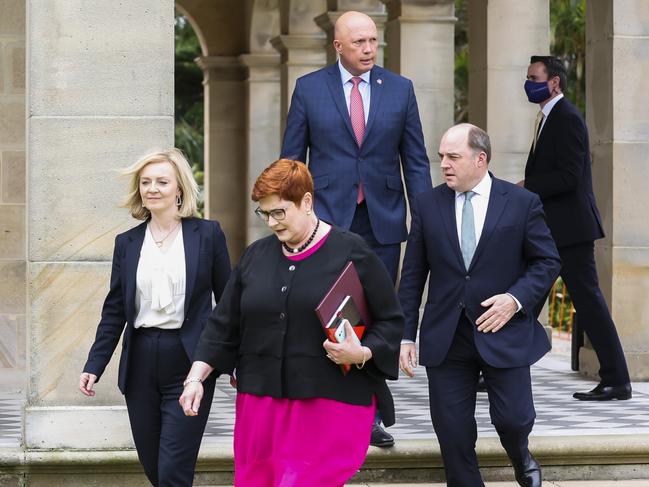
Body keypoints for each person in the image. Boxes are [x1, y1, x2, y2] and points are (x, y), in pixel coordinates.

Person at [179, 159, 404, 486]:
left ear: (307, 202)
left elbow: (391, 320)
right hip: (261, 404)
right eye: (264, 213)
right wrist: (196, 377)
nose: (271, 222)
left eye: (279, 212)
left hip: (327, 402)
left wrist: (364, 353)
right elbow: (223, 324)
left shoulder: (352, 251)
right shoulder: (255, 257)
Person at [280, 9, 431, 446]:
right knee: (337, 317)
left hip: (383, 219)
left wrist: (425, 219)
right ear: (338, 46)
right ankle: (343, 406)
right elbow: (293, 160)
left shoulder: (400, 90)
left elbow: (416, 160)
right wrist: (288, 218)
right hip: (327, 221)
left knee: (377, 316)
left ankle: (371, 414)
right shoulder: (310, 89)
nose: (369, 49)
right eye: (359, 42)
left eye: (373, 41)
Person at [398, 124, 561, 487]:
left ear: (480, 159)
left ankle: (520, 454)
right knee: (452, 430)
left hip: (503, 329)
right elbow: (412, 276)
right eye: (441, 156)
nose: (444, 164)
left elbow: (547, 261)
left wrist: (514, 299)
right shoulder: (427, 204)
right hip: (447, 334)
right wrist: (406, 335)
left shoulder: (521, 203)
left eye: (453, 157)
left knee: (514, 419)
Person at [79, 149, 231, 486]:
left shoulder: (207, 234)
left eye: (162, 181)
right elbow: (115, 309)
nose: (153, 188)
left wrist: (235, 363)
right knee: (154, 467)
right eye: (146, 182)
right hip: (141, 362)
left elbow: (229, 305)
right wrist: (94, 364)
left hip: (189, 360)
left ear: (179, 189)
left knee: (173, 470)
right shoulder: (128, 243)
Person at [521, 55, 632, 401]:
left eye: (534, 77)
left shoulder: (566, 118)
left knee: (587, 303)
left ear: (554, 82)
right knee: (526, 297)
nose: (528, 83)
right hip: (553, 230)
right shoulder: (548, 118)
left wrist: (529, 185)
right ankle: (501, 367)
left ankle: (617, 379)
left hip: (570, 231)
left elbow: (570, 176)